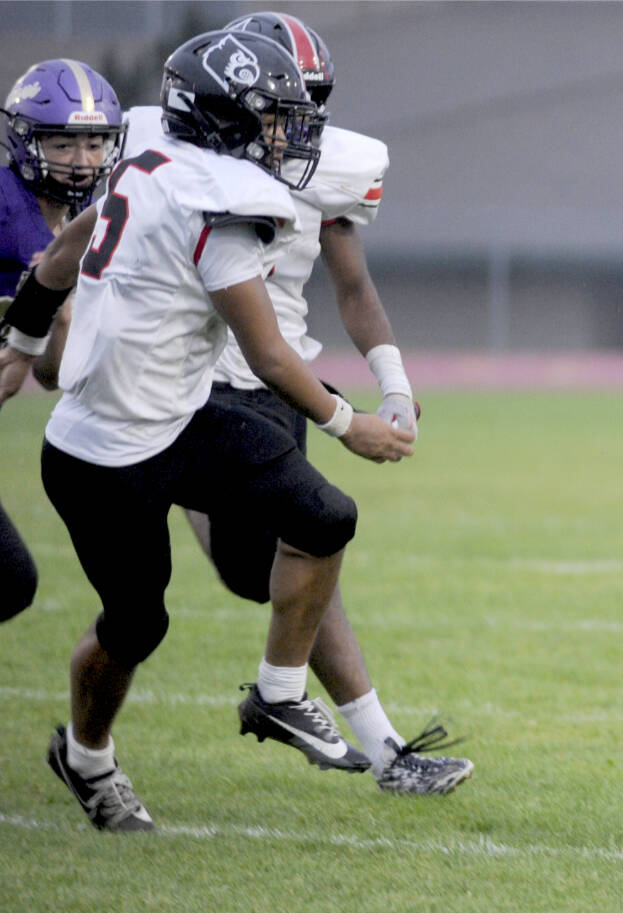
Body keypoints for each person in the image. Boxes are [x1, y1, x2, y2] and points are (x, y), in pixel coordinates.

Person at [15, 29, 414, 832]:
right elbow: (267, 355)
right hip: (105, 453)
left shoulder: (146, 162)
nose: (291, 135)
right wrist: (349, 424)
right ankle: (87, 758)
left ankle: (278, 694)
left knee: (326, 517)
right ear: (226, 120)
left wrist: (20, 344)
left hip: (184, 419)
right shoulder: (224, 206)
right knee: (137, 625)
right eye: (273, 118)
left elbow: (60, 252)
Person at [161, 10, 467, 796]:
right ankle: (368, 744)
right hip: (191, 380)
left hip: (278, 383)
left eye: (308, 104)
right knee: (284, 544)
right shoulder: (183, 167)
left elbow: (353, 285)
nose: (295, 124)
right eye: (279, 105)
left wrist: (393, 384)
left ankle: (387, 752)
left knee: (293, 550)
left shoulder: (321, 168)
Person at [0, 58, 125, 623]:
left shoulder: (85, 219)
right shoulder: (5, 205)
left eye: (95, 144)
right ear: (28, 140)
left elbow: (50, 375)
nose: (82, 161)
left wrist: (64, 319)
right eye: (64, 144)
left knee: (9, 583)